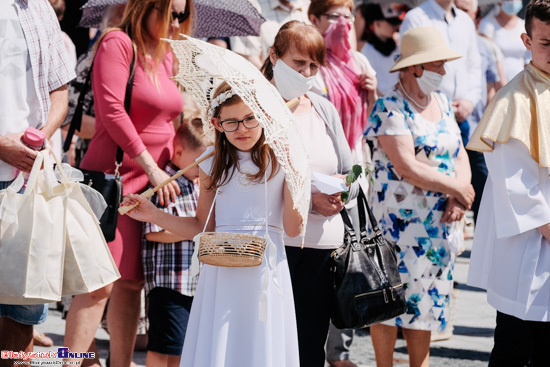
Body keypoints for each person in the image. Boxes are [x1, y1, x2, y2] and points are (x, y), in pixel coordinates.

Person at [122, 81, 304, 366]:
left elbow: (293, 229)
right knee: (222, 344)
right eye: (231, 122)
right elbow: (202, 227)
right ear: (217, 124)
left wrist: (297, 180)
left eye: (249, 118)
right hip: (222, 270)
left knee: (260, 343)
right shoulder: (211, 163)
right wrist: (154, 215)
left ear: (263, 115)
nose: (242, 129)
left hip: (266, 271)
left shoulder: (281, 161)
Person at [63, 1, 194, 366]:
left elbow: (170, 120)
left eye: (183, 14)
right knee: (99, 285)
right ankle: (68, 362)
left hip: (154, 189)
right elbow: (111, 111)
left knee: (131, 283)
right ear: (146, 6)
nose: (178, 20)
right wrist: (152, 166)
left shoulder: (167, 56)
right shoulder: (117, 43)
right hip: (114, 182)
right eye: (172, 11)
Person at [364, 26, 474, 367]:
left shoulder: (441, 102)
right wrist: (455, 188)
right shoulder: (389, 107)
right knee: (389, 302)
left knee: (427, 300)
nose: (444, 71)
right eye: (438, 64)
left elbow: (459, 154)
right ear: (415, 67)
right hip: (396, 227)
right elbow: (407, 167)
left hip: (437, 227)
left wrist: (459, 195)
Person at [261, 20, 360, 367]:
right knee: (272, 347)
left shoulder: (323, 108)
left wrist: (342, 191)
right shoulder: (255, 108)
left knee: (309, 348)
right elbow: (252, 179)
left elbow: (351, 169)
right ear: (274, 55)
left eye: (313, 66)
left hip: (322, 250)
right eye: (298, 62)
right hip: (275, 247)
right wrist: (307, 200)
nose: (306, 72)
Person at [466, 0, 550, 365]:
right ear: (527, 41)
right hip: (530, 248)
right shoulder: (514, 99)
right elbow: (519, 189)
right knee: (517, 348)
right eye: (547, 43)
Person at [0, 0, 74, 365]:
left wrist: (41, 136)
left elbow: (60, 91)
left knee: (21, 314)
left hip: (29, 184)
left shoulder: (40, 9)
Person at [142, 120, 206, 367]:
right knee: (163, 346)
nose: (204, 169)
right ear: (179, 153)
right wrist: (194, 231)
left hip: (192, 282)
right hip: (169, 283)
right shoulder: (165, 185)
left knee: (181, 347)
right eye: (200, 162)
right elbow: (154, 232)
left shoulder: (196, 186)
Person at [400, 0, 482, 146]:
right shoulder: (416, 18)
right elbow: (409, 69)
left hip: (463, 116)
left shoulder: (465, 21)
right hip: (426, 114)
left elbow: (474, 66)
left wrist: (469, 101)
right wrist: (440, 104)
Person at [308, 0, 377, 156]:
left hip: (356, 155)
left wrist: (372, 95)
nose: (342, 23)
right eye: (334, 16)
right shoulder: (310, 65)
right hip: (323, 155)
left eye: (347, 17)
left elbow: (372, 118)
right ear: (314, 20)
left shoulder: (359, 62)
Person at [454, 0, 501, 223]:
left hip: (477, 129)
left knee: (482, 182)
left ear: (476, 16)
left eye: (464, 11)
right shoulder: (447, 40)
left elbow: (491, 86)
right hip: (450, 125)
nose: (459, 15)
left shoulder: (484, 46)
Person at [356, 3, 408, 96]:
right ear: (377, 23)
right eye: (390, 23)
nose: (395, 26)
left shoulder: (398, 46)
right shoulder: (365, 49)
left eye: (396, 22)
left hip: (399, 98)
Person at [478, 0, 530, 82]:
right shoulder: (487, 24)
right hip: (496, 84)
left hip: (522, 83)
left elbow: (528, 59)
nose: (513, 2)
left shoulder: (524, 26)